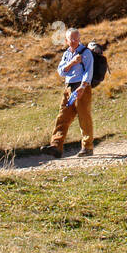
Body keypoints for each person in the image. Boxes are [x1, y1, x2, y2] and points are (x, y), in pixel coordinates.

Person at [47, 28, 95, 158]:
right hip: (68, 88)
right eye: (71, 39)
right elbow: (61, 71)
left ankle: (87, 147)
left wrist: (83, 87)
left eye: (76, 38)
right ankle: (56, 145)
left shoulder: (86, 53)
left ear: (79, 39)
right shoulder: (67, 54)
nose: (74, 41)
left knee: (84, 116)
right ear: (66, 41)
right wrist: (72, 62)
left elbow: (88, 72)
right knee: (63, 116)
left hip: (81, 87)